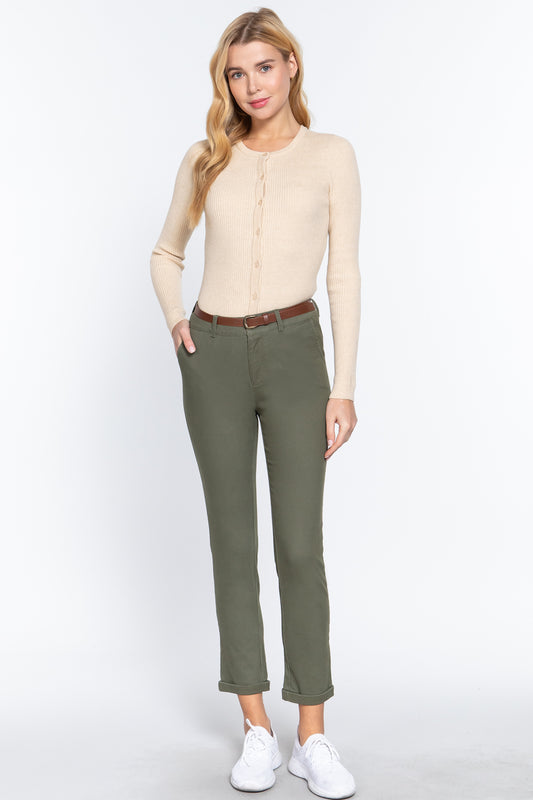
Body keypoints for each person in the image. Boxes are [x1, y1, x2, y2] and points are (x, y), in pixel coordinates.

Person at [149, 8, 361, 799]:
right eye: (236, 74)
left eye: (263, 67)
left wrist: (343, 386)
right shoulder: (208, 157)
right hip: (212, 355)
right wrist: (177, 319)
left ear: (290, 66)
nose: (251, 85)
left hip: (295, 352)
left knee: (299, 547)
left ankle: (312, 734)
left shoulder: (331, 155)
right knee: (232, 543)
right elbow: (165, 251)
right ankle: (255, 728)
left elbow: (344, 273)